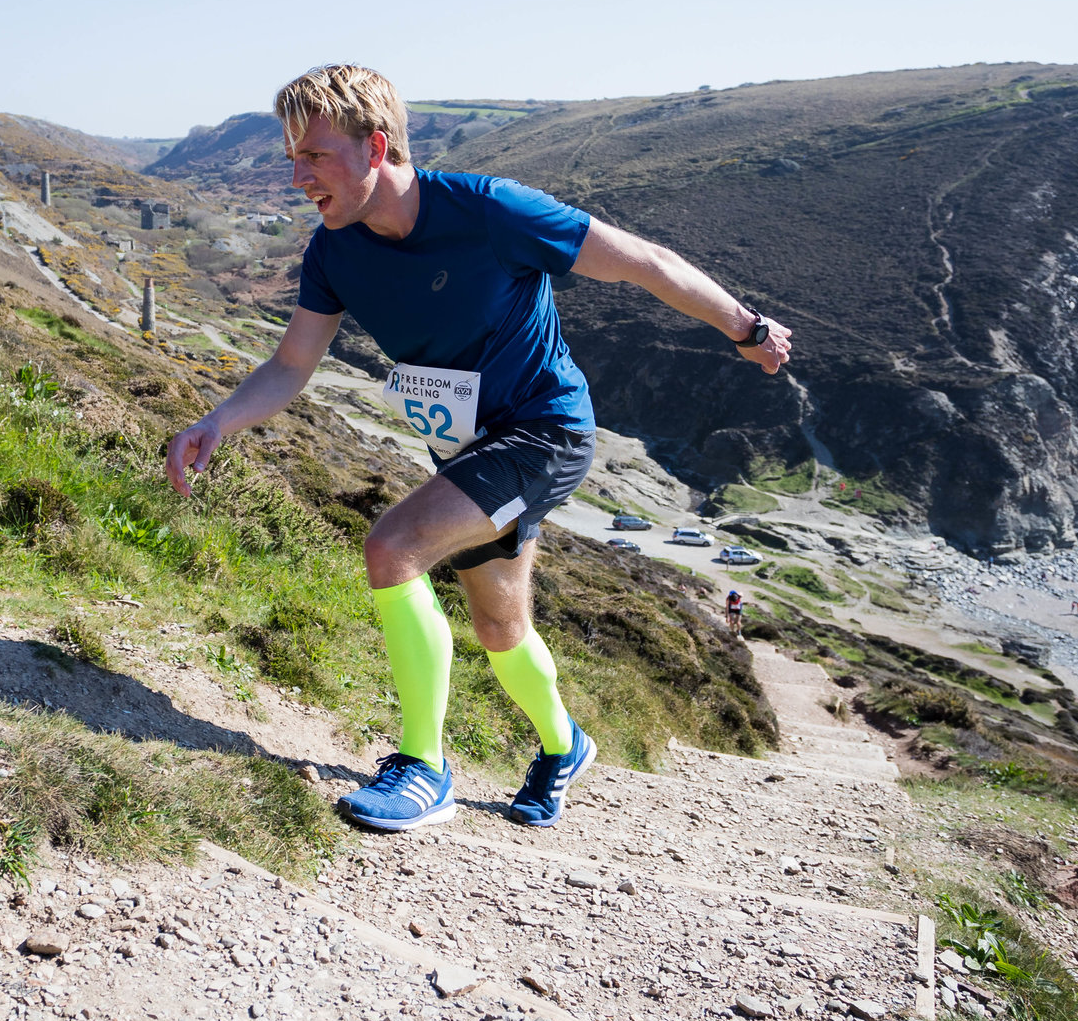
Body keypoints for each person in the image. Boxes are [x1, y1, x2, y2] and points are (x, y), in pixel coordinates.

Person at [165, 64, 792, 832]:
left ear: (376, 147)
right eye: (291, 157)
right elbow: (293, 363)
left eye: (315, 156)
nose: (298, 178)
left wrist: (749, 329)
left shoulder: (491, 211)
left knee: (392, 547)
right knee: (499, 625)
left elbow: (643, 262)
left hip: (546, 431)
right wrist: (218, 422)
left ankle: (423, 768)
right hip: (466, 452)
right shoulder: (334, 250)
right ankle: (564, 746)